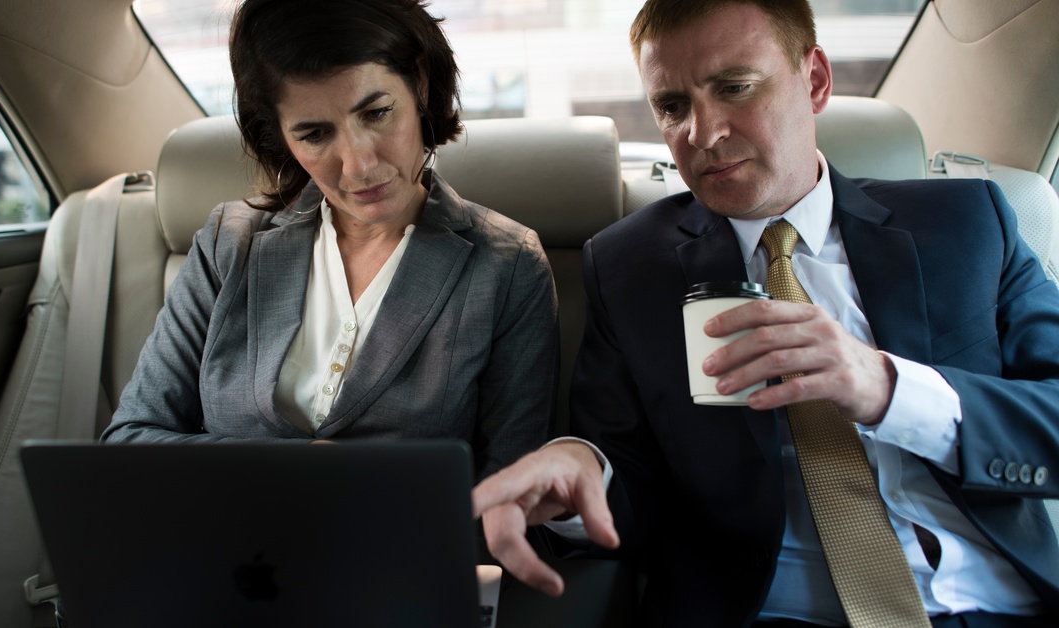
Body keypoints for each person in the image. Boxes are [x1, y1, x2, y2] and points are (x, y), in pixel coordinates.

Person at [473, 0, 1059, 625]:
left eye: (735, 88)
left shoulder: (966, 224)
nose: (702, 134)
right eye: (672, 106)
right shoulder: (628, 268)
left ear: (815, 81)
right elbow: (628, 478)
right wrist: (581, 478)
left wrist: (889, 389)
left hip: (995, 606)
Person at [102, 0, 558, 481]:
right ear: (280, 136)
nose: (359, 165)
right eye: (315, 134)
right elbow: (130, 440)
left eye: (377, 113)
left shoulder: (507, 266)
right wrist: (300, 472)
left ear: (420, 84)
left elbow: (515, 495)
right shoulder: (229, 244)